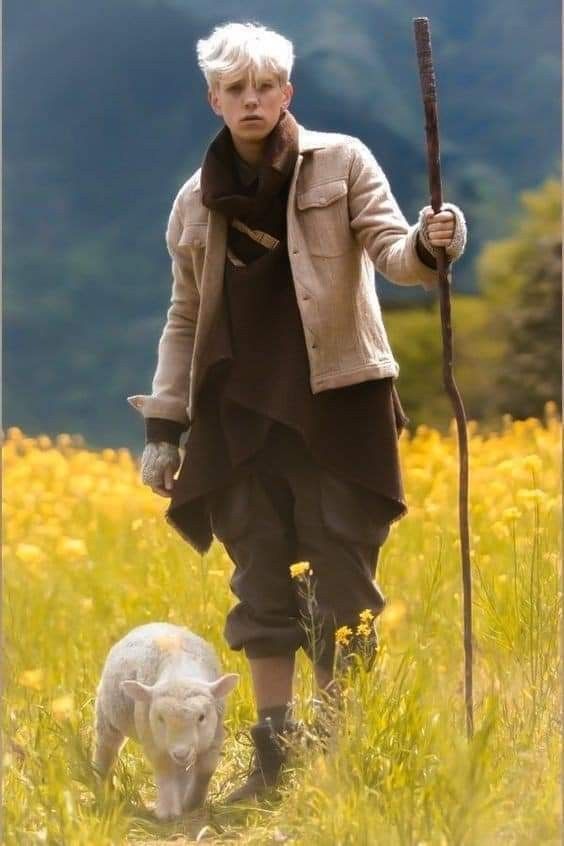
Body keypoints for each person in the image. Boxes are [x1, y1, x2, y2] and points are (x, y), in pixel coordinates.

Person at [127, 21, 467, 803]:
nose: (251, 100)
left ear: (288, 91)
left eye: (265, 86)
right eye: (235, 89)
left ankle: (342, 757)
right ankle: (275, 763)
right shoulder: (195, 200)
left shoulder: (342, 162)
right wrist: (164, 428)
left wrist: (432, 241)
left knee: (345, 586)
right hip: (237, 417)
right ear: (215, 99)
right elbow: (185, 316)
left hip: (338, 404)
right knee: (261, 588)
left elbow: (395, 254)